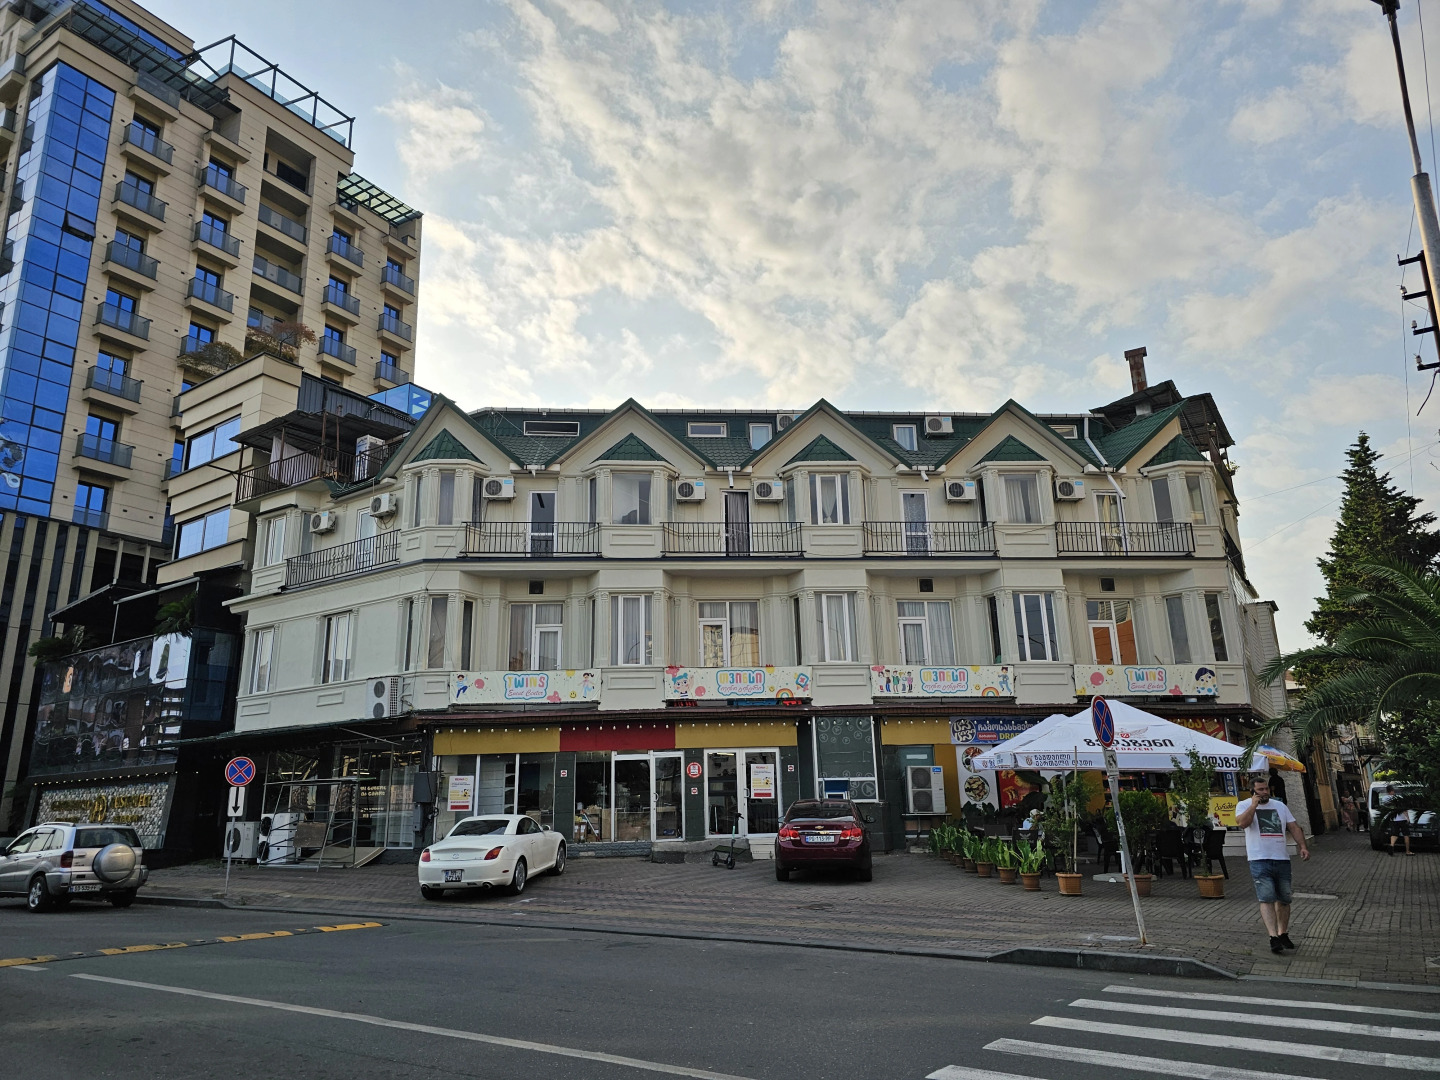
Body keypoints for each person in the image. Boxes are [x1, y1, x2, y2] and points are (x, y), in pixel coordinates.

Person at [1235, 775, 1310, 955]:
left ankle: (1282, 932)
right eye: (1260, 790)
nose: (1265, 792)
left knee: (1284, 898)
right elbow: (1242, 824)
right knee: (1266, 897)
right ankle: (1273, 937)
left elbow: (1293, 827)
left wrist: (1303, 846)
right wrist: (1254, 805)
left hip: (1281, 858)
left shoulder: (1280, 806)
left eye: (1266, 789)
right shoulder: (1244, 805)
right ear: (1252, 790)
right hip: (1259, 858)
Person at [1382, 785, 1415, 856]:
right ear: (1392, 790)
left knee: (1394, 834)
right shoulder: (1398, 798)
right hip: (1402, 819)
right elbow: (1404, 809)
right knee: (1406, 834)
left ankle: (1391, 845)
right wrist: (1408, 818)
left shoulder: (1384, 798)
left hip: (1393, 819)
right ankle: (1407, 851)